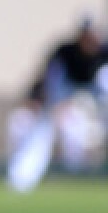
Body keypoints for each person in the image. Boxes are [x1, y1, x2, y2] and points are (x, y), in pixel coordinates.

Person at [7, 15, 108, 192]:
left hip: (93, 101)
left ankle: (80, 178)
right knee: (36, 126)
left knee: (76, 127)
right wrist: (49, 103)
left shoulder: (104, 54)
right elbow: (49, 83)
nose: (89, 40)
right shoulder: (64, 52)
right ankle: (22, 179)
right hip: (62, 99)